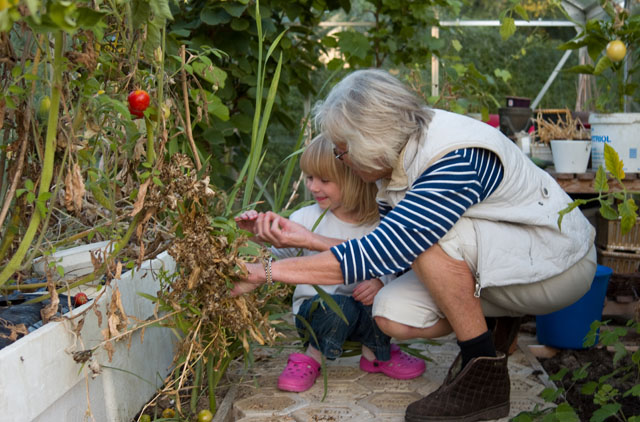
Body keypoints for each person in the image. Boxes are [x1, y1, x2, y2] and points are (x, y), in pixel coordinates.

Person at [231, 69, 596, 422]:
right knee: (392, 314)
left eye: (343, 152)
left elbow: (390, 246)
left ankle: (481, 373)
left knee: (430, 239)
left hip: (560, 264)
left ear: (368, 139)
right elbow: (386, 252)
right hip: (508, 261)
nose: (343, 161)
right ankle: (497, 322)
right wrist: (300, 238)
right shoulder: (397, 159)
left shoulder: (456, 156)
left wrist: (264, 272)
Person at [235, 135, 426, 393]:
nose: (313, 187)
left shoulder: (378, 223)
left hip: (360, 315)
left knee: (378, 305)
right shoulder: (304, 219)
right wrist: (253, 237)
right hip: (316, 315)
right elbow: (273, 258)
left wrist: (380, 282)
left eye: (324, 180)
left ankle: (376, 355)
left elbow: (393, 265)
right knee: (338, 306)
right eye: (309, 178)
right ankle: (312, 358)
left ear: (355, 178)